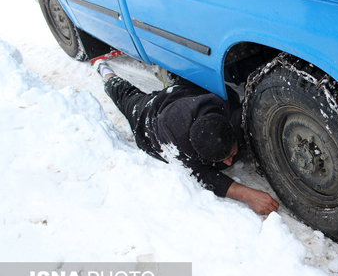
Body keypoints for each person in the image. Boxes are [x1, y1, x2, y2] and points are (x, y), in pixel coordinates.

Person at [94, 60, 279, 215]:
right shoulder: (179, 147)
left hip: (185, 92)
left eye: (230, 154)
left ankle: (170, 76)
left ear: (229, 124)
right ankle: (104, 70)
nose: (229, 163)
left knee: (193, 74)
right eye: (223, 159)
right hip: (147, 114)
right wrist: (248, 195)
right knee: (124, 94)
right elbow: (202, 176)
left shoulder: (226, 110)